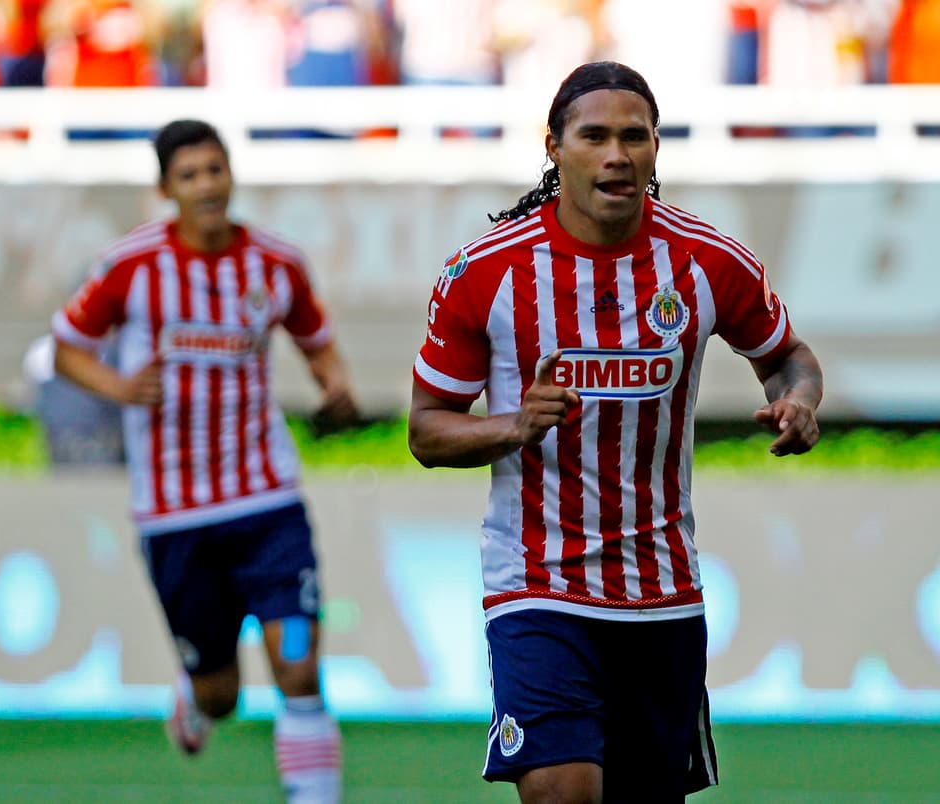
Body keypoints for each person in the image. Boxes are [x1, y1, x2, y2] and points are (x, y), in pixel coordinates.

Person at [407, 61, 823, 802]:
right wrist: (513, 426)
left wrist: (797, 402)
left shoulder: (704, 260)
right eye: (594, 135)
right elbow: (427, 432)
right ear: (555, 147)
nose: (616, 155)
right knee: (560, 789)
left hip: (660, 587)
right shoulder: (487, 272)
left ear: (657, 149)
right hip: (537, 581)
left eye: (635, 136)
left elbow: (788, 357)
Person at [51, 118, 355, 803]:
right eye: (189, 176)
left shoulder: (275, 264)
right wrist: (122, 389)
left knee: (299, 668)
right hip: (175, 513)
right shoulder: (131, 266)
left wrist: (335, 385)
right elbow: (67, 346)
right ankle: (196, 693)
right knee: (224, 697)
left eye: (215, 170)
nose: (206, 186)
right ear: (166, 188)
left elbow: (317, 339)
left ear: (231, 174)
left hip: (266, 497)